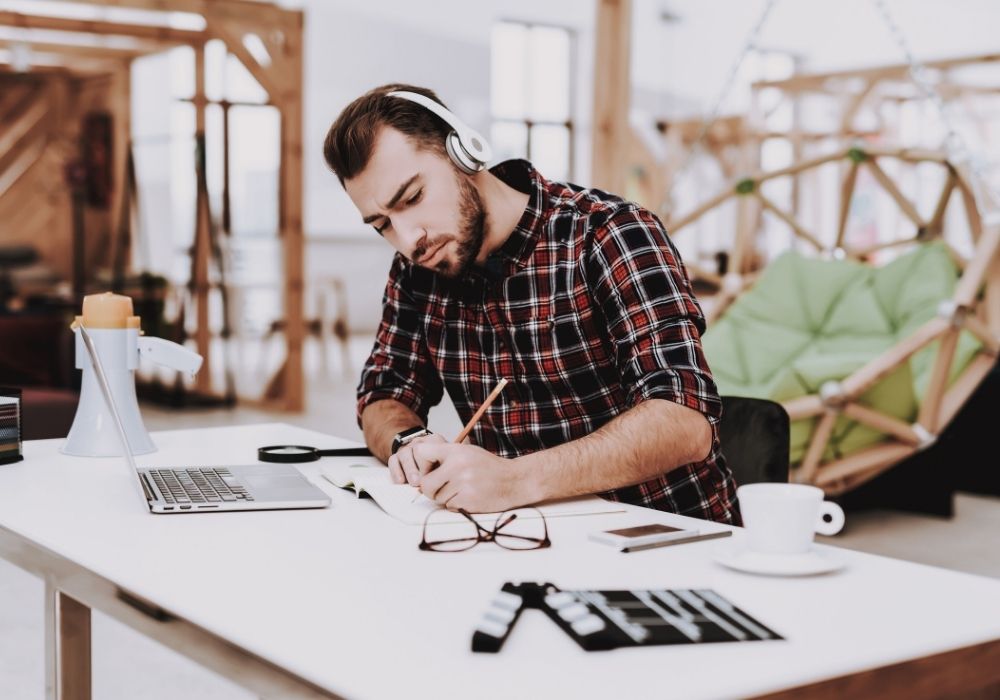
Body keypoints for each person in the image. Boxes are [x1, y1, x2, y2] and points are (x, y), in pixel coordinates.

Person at [323, 83, 739, 523]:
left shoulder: (609, 235)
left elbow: (684, 419)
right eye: (382, 224)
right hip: (523, 535)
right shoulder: (417, 270)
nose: (408, 239)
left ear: (465, 153)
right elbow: (383, 393)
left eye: (412, 198)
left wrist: (516, 480)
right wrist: (408, 442)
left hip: (664, 533)